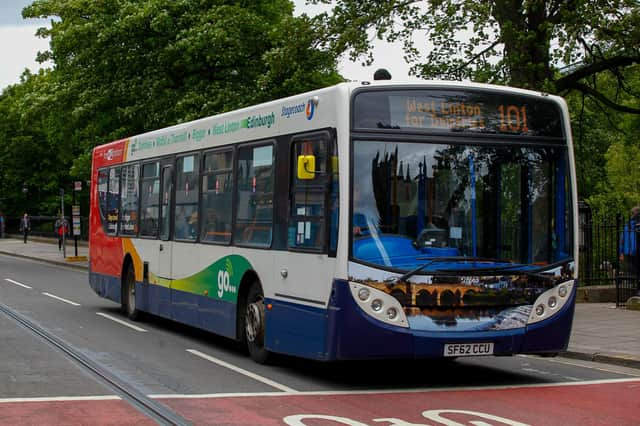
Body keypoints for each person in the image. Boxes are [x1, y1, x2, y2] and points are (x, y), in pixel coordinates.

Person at [619, 206, 640, 278]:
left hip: (628, 251)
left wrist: (621, 252)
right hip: (634, 251)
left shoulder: (627, 225)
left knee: (633, 273)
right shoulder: (628, 225)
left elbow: (622, 240)